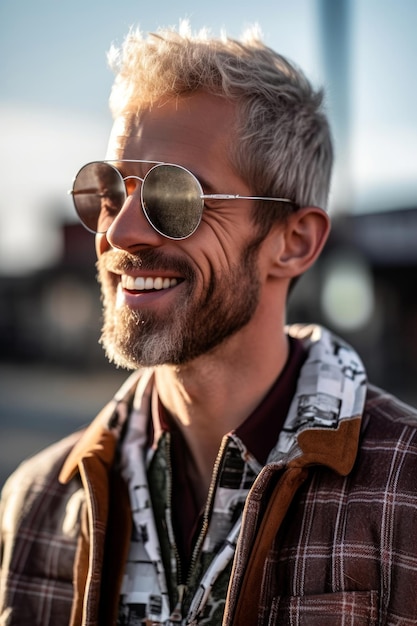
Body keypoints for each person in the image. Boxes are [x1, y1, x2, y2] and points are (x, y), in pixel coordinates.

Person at [1, 21, 417, 626]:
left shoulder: (405, 494)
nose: (118, 233)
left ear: (293, 242)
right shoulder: (36, 503)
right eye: (110, 193)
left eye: (175, 197)